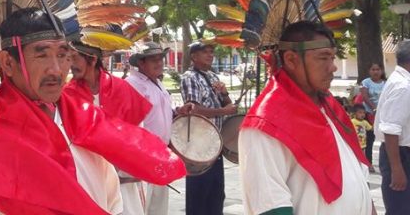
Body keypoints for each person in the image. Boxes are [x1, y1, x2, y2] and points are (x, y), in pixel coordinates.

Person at [0, 8, 185, 214]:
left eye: (63, 55)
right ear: (8, 63)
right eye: (42, 55)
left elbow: (111, 200)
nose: (56, 70)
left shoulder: (86, 120)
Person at [239, 21, 374, 214]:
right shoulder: (265, 123)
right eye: (323, 58)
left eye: (333, 57)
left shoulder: (331, 108)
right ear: (291, 60)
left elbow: (359, 177)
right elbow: (270, 206)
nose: (333, 67)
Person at [67, 37, 155, 215]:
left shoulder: (121, 88)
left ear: (92, 59)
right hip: (90, 177)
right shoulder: (67, 94)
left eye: (74, 58)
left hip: (125, 179)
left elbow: (138, 133)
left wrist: (124, 162)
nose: (70, 64)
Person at [126, 42, 192, 215]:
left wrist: (178, 111)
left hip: (160, 153)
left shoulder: (157, 83)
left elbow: (158, 112)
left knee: (158, 206)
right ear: (141, 63)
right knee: (143, 205)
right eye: (153, 60)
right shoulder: (133, 84)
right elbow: (129, 122)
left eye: (160, 59)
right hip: (143, 155)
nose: (159, 63)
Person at [180, 41, 236, 215]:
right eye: (205, 52)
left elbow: (229, 106)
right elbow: (193, 110)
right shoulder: (190, 77)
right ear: (193, 56)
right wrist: (223, 111)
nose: (210, 55)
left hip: (215, 144)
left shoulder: (212, 76)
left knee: (216, 193)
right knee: (199, 195)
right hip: (198, 145)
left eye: (211, 52)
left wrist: (224, 94)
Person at [374, 40, 410, 214]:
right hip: (399, 154)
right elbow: (390, 130)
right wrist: (397, 169)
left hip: (400, 152)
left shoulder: (400, 81)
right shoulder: (403, 86)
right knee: (400, 208)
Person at [361, 62, 386, 167]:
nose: (375, 72)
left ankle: (385, 162)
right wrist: (374, 108)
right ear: (369, 71)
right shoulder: (366, 82)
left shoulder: (386, 83)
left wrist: (380, 110)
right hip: (368, 114)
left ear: (381, 71)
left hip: (382, 114)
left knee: (385, 139)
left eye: (378, 69)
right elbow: (365, 97)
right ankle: (369, 163)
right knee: (370, 139)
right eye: (373, 69)